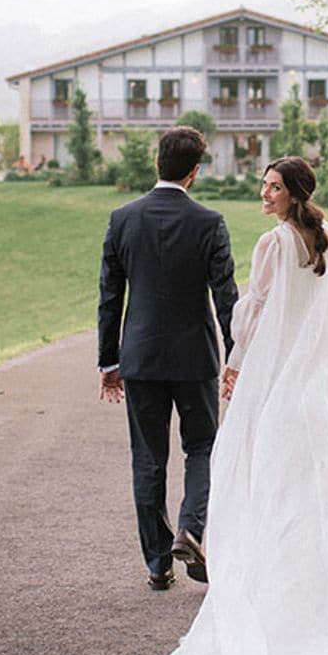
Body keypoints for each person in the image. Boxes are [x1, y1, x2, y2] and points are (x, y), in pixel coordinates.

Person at [141, 156, 328, 655]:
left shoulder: (272, 244)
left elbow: (252, 311)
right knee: (312, 490)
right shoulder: (327, 239)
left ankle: (272, 591)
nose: (265, 193)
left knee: (262, 485)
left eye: (273, 187)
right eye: (264, 185)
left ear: (292, 193)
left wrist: (234, 364)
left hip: (277, 385)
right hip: (311, 390)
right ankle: (314, 589)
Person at [97, 126, 238, 591]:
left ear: (157, 162)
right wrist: (237, 357)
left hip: (139, 359)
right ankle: (191, 528)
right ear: (194, 172)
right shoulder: (209, 223)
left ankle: (158, 564)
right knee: (202, 447)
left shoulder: (122, 219)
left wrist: (108, 361)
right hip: (194, 358)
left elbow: (109, 296)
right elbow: (225, 297)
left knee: (148, 458)